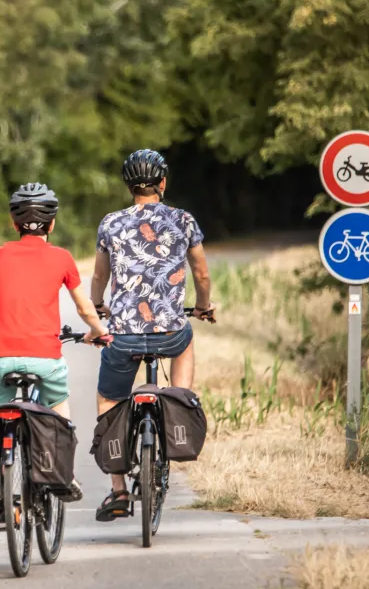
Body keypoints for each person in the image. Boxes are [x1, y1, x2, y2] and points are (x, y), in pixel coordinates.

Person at [0, 182, 110, 529]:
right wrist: (98, 333)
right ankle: (62, 472)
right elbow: (84, 307)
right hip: (45, 359)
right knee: (58, 409)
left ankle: (1, 497)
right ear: (53, 223)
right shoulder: (61, 258)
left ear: (14, 224)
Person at [89, 149, 215, 522]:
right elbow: (201, 274)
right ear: (162, 182)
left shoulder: (110, 223)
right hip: (170, 332)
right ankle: (178, 404)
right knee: (186, 339)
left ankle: (118, 491)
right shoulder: (183, 220)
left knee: (109, 397)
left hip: (123, 335)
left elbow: (99, 277)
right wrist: (203, 306)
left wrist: (98, 307)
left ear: (129, 186)